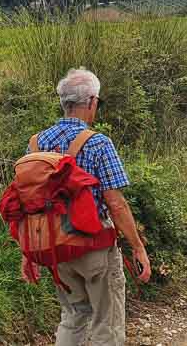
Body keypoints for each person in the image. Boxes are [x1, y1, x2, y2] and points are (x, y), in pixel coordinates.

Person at [33, 68, 151, 346]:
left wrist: (31, 251)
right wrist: (138, 246)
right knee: (105, 322)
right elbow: (116, 204)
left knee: (73, 315)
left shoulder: (36, 144)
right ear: (91, 102)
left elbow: (32, 202)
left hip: (55, 245)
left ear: (65, 103)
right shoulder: (98, 142)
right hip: (94, 243)